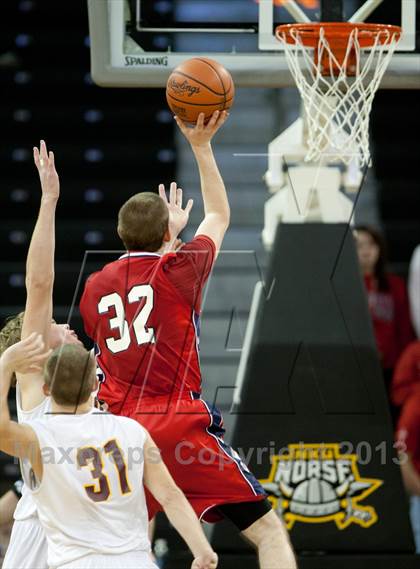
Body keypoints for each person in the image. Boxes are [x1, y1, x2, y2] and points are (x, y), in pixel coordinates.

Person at [80, 110, 297, 569]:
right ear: (167, 232)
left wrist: (163, 241)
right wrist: (200, 146)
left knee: (130, 542)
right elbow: (218, 213)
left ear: (120, 235)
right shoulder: (180, 270)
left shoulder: (95, 286)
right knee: (267, 531)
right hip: (177, 420)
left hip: (122, 429)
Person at [0, 335, 218, 569]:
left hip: (77, 563)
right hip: (137, 561)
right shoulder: (132, 430)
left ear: (45, 388)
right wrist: (202, 550)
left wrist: (5, 365)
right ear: (95, 384)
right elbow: (169, 495)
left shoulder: (37, 437)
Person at [0, 141, 81, 569]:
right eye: (52, 326)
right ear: (32, 346)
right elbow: (40, 284)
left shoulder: (90, 378)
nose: (65, 325)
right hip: (43, 526)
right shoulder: (36, 376)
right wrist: (49, 201)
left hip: (90, 521)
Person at [354, 225, 414, 415]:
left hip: (390, 367)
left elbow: (404, 327)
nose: (365, 250)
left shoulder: (395, 285)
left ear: (379, 248)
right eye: (359, 245)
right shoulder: (344, 287)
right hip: (356, 367)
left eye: (371, 244)